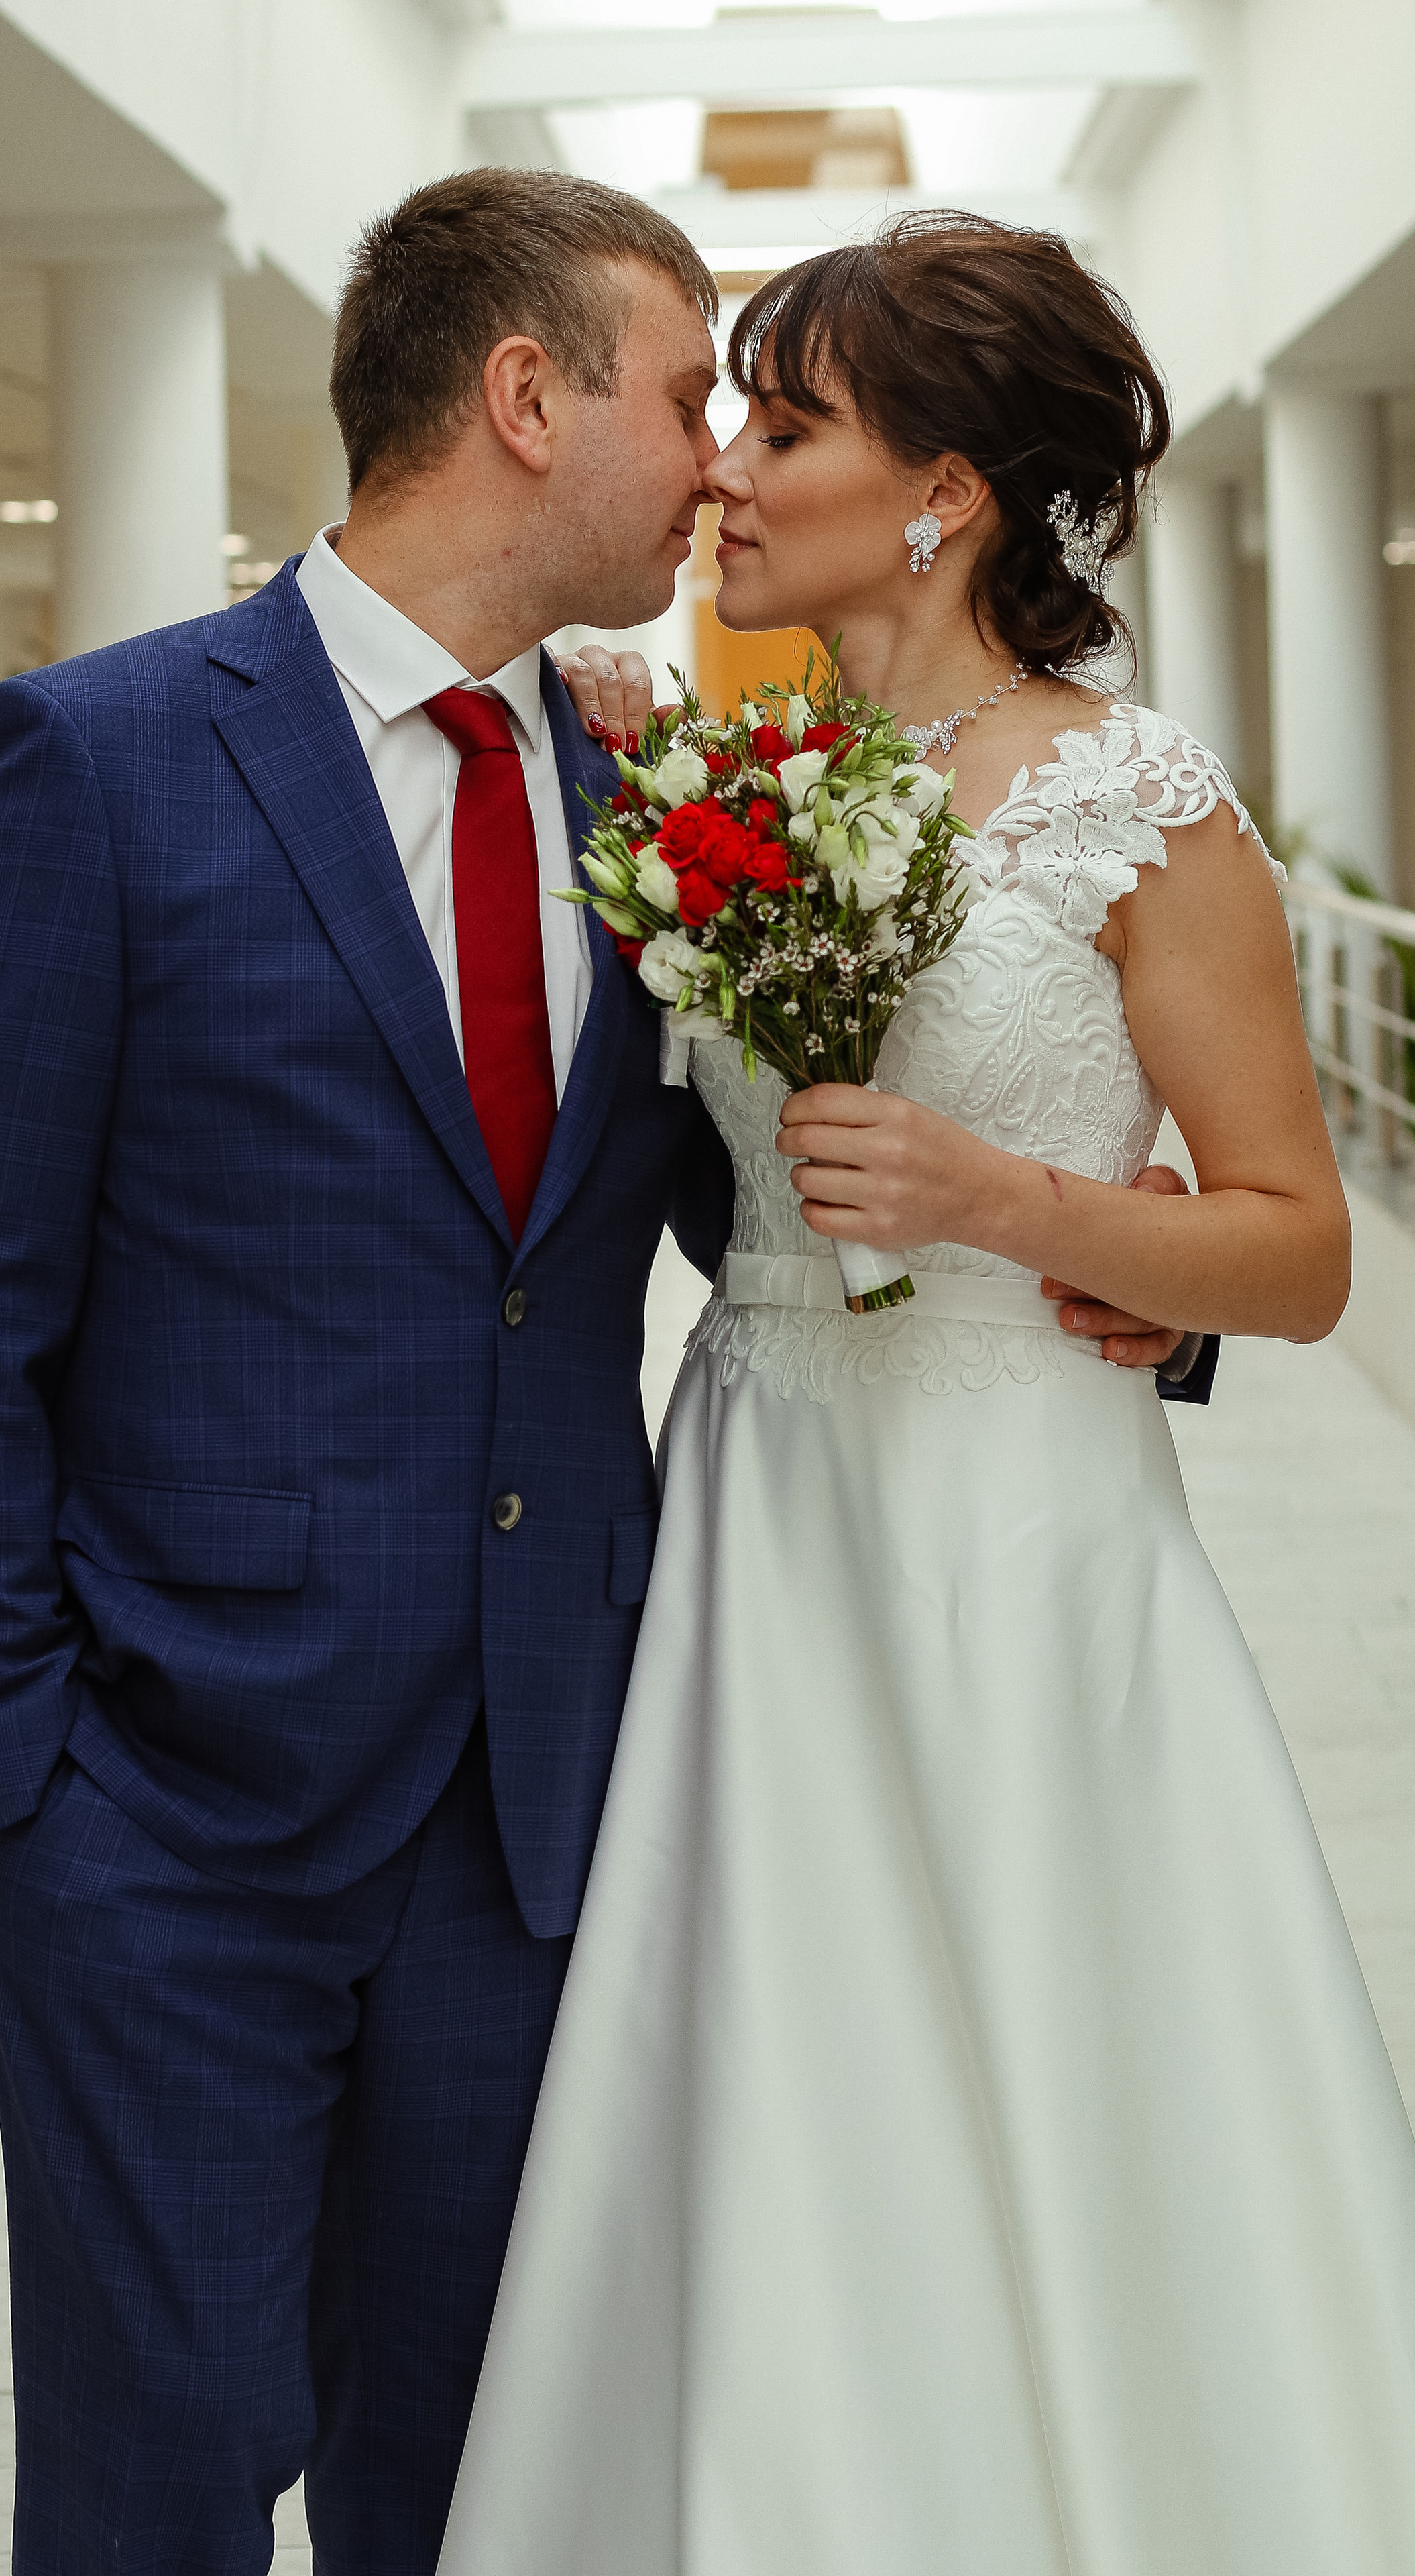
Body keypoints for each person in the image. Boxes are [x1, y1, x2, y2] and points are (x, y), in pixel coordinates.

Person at [0, 174, 1194, 2571]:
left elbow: (757, 1201)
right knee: (153, 2498)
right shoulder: (97, 760)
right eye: (690, 394)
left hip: (544, 1820)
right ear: (524, 393)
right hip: (163, 1831)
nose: (714, 460)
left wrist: (1116, 1283)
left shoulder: (653, 803)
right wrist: (23, 1796)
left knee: (478, 2499)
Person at [440, 216, 1415, 2575]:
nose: (728, 473)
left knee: (1051, 2074)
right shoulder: (728, 781)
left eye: (785, 426)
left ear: (946, 489)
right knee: (774, 2084)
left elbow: (1299, 1247)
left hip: (1020, 1536)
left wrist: (1019, 1208)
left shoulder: (1136, 802)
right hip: (762, 1515)